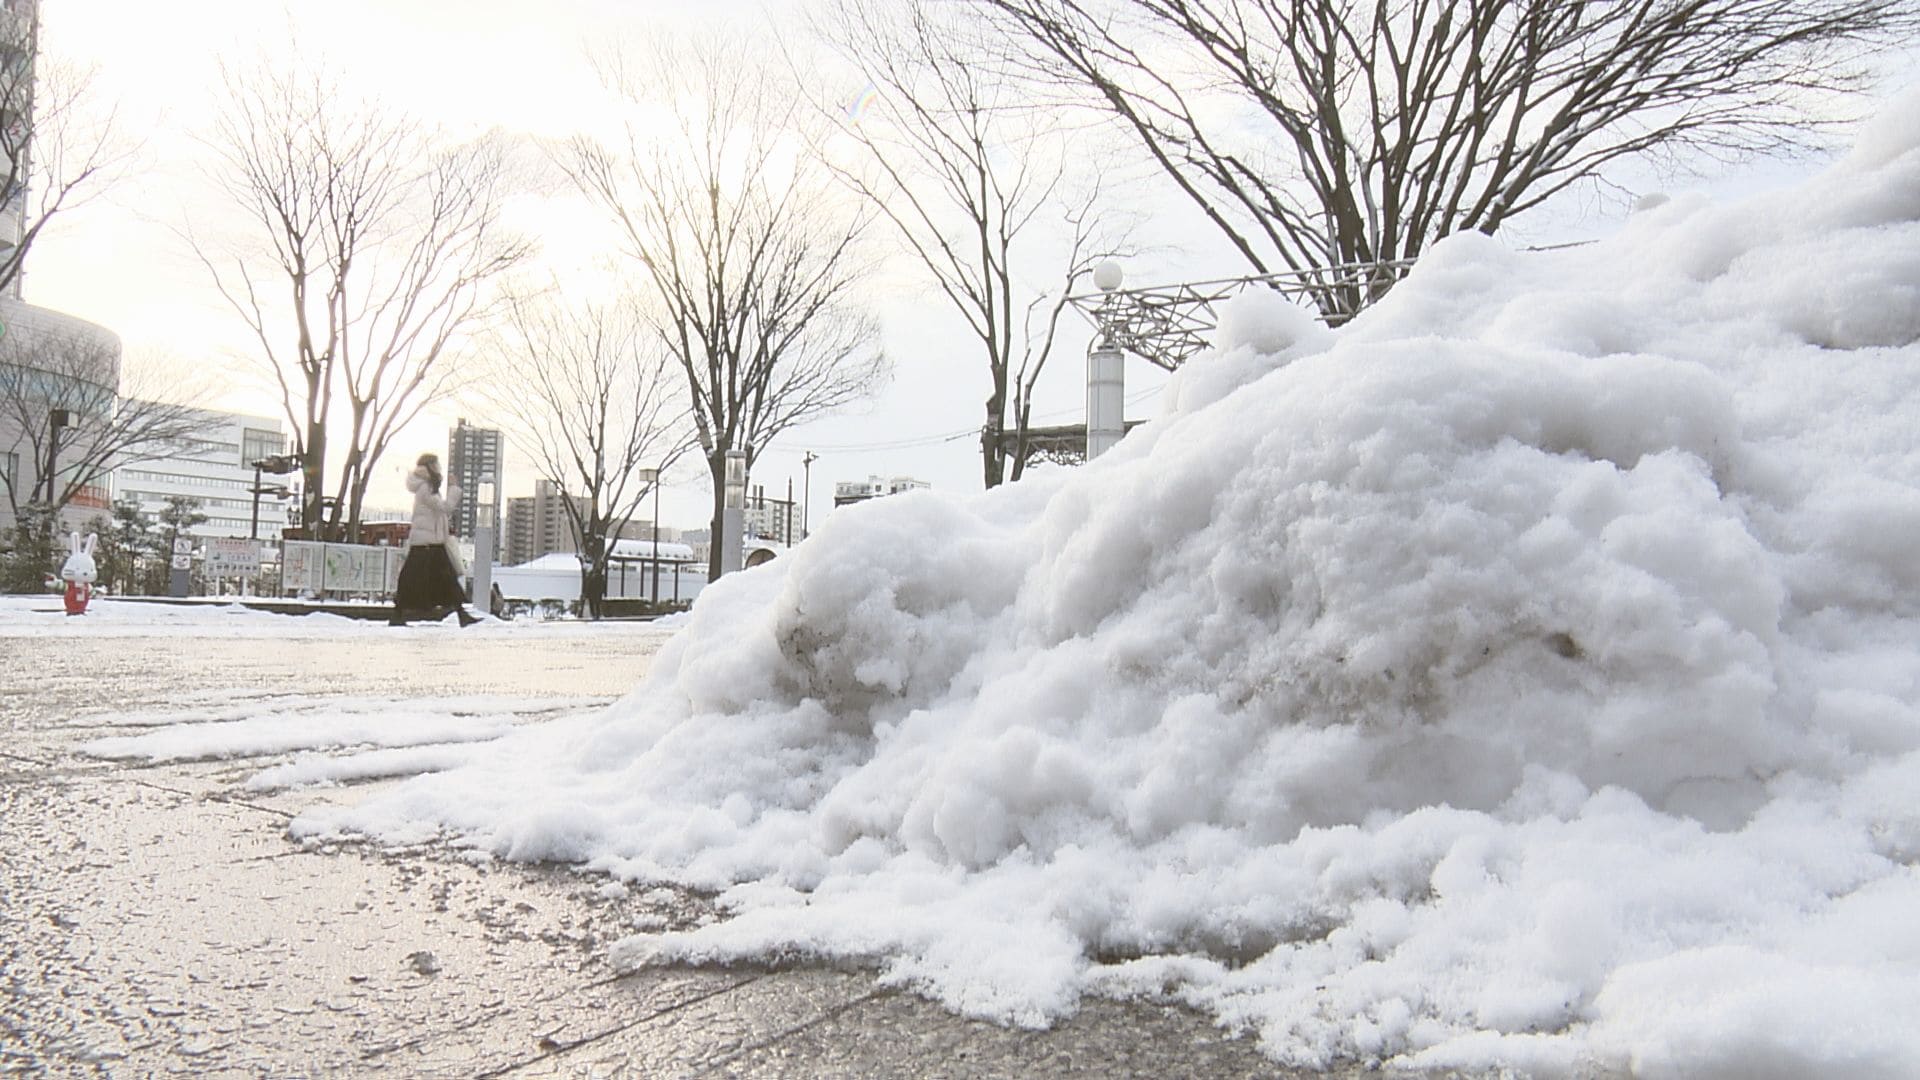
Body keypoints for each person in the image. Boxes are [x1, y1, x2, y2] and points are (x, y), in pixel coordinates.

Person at [390, 452, 479, 627]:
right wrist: (454, 489)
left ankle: (461, 613)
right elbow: (444, 508)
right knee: (423, 578)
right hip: (427, 543)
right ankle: (461, 614)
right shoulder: (425, 487)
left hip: (429, 542)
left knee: (438, 578)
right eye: (437, 464)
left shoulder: (426, 486)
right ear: (430, 466)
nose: (439, 468)